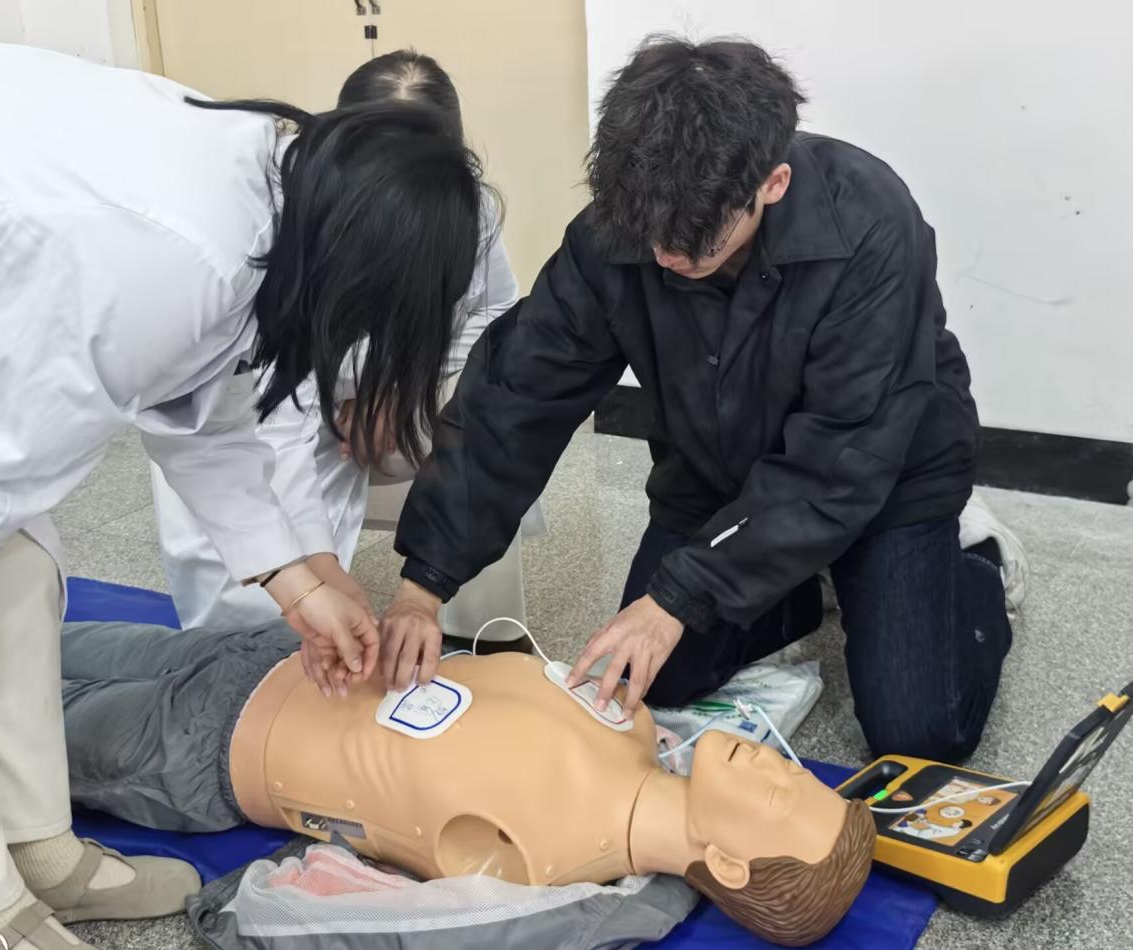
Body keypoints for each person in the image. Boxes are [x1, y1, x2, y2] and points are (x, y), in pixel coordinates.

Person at [0, 43, 484, 949]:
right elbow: (25, 411)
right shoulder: (172, 248)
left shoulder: (272, 205)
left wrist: (301, 586)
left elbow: (204, 420)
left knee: (16, 574)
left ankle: (38, 849)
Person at [380, 37, 1016, 763]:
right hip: (717, 472)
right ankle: (796, 589)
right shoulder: (626, 225)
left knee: (917, 732)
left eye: (695, 243)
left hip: (885, 473)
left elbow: (843, 458)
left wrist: (677, 600)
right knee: (649, 680)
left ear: (772, 184)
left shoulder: (870, 222)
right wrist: (424, 582)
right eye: (650, 238)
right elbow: (516, 396)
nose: (666, 257)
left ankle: (976, 566)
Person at [59, 618, 876, 946]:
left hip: (201, 750)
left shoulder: (540, 864)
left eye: (780, 793)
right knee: (25, 618)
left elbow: (384, 916)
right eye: (794, 769)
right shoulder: (632, 724)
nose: (778, 762)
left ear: (726, 863)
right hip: (280, 648)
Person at [150, 50, 534, 652]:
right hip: (240, 414)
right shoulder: (267, 227)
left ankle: (481, 638)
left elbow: (494, 314)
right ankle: (241, 667)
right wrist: (317, 573)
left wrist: (396, 388)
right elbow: (260, 424)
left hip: (377, 402)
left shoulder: (464, 209)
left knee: (482, 451)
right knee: (253, 602)